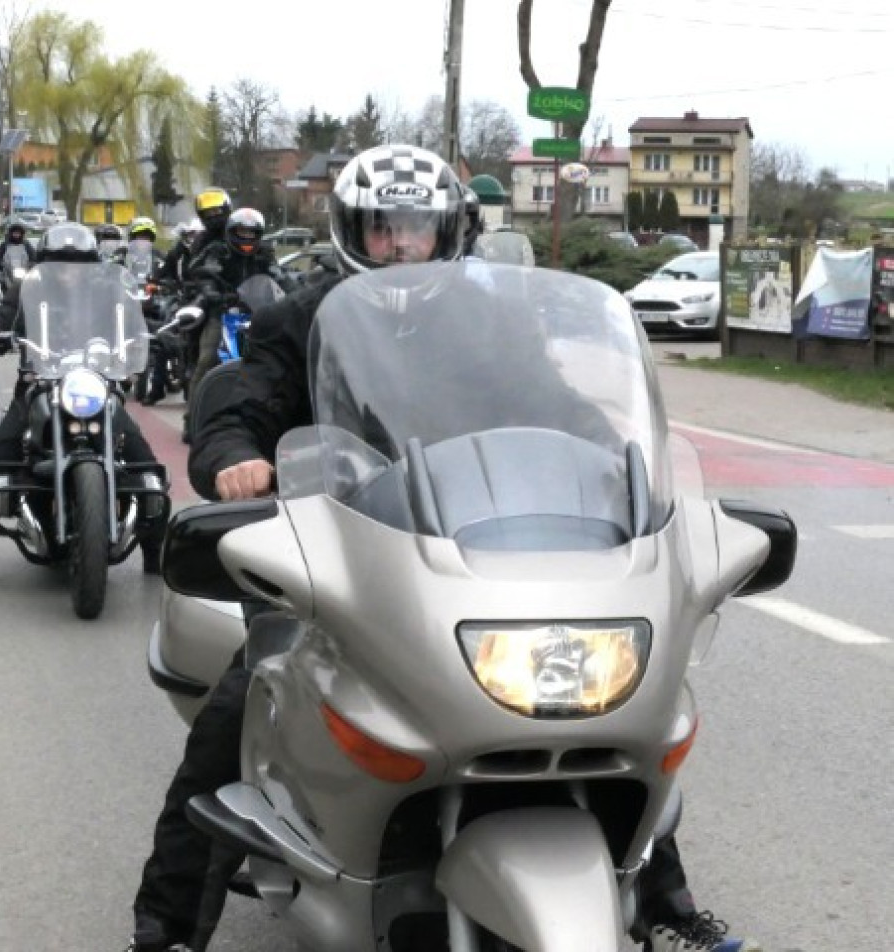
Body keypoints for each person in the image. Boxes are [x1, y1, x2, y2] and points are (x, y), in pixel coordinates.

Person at [127, 145, 758, 952]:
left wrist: (620, 469)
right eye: (382, 228)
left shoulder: (493, 323)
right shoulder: (306, 316)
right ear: (352, 230)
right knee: (236, 710)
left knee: (607, 719)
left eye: (416, 227)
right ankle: (168, 931)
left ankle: (666, 908)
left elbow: (561, 406)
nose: (399, 245)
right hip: (343, 559)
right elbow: (237, 402)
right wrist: (232, 459)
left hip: (474, 552)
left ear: (448, 230)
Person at [0, 222, 166, 588]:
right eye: (59, 262)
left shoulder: (108, 289)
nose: (67, 270)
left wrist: (155, 334)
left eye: (76, 263)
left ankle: (156, 553)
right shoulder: (27, 288)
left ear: (92, 263)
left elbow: (133, 321)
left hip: (95, 384)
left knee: (146, 466)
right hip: (39, 385)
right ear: (44, 262)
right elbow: (4, 317)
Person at [179, 202, 283, 443]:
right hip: (223, 312)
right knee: (207, 359)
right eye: (241, 233)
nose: (246, 238)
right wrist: (210, 290)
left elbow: (279, 276)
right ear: (231, 232)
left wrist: (292, 290)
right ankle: (192, 418)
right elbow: (203, 272)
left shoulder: (265, 254)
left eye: (251, 233)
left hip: (257, 314)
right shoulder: (218, 251)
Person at [0, 217, 38, 331]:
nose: (16, 235)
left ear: (22, 233)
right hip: (7, 273)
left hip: (24, 274)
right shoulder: (4, 245)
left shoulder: (27, 245)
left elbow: (35, 257)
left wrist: (32, 264)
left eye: (18, 232)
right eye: (14, 232)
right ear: (10, 233)